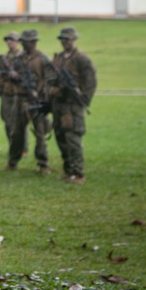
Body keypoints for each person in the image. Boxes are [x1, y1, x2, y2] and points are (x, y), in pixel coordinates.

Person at [46, 27, 97, 184]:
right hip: (58, 104)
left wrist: (83, 99)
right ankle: (68, 170)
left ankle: (78, 173)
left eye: (67, 39)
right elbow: (50, 78)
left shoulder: (81, 59)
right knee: (60, 136)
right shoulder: (58, 59)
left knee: (73, 138)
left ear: (74, 40)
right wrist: (52, 90)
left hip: (73, 105)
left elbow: (90, 82)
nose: (64, 41)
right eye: (62, 39)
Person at [5, 29, 51, 173]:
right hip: (19, 99)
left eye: (26, 41)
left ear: (33, 42)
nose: (24, 44)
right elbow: (11, 73)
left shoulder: (43, 59)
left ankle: (43, 163)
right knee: (16, 132)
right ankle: (13, 162)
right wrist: (13, 75)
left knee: (40, 133)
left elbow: (50, 79)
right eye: (22, 41)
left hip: (37, 101)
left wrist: (41, 93)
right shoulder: (19, 58)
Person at [0, 31, 27, 157]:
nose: (9, 42)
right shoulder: (4, 58)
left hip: (20, 94)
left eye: (12, 40)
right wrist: (0, 89)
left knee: (20, 123)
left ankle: (23, 148)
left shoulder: (24, 57)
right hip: (7, 94)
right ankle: (12, 145)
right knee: (7, 121)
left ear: (18, 42)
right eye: (7, 40)